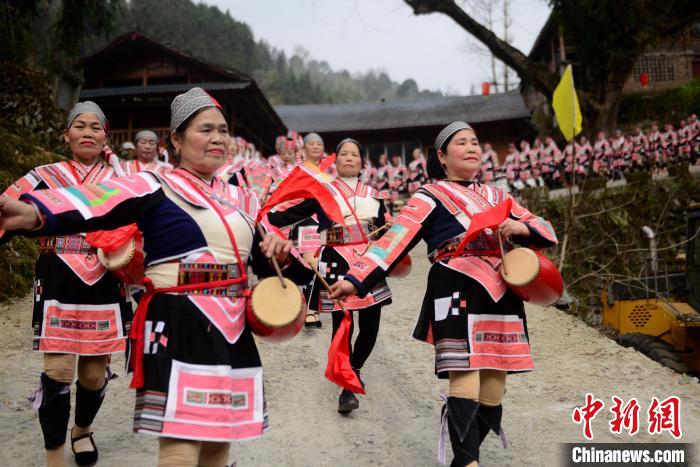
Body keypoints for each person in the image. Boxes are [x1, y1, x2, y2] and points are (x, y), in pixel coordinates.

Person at [0, 88, 311, 467]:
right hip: (176, 323)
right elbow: (92, 203)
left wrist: (282, 253)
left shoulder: (245, 200)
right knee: (180, 449)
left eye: (223, 130)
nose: (217, 138)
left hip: (232, 330)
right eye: (205, 129)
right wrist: (33, 213)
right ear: (176, 140)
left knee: (219, 445)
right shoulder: (152, 185)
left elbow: (274, 269)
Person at [329, 122, 557, 467]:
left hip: (502, 289)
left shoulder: (499, 196)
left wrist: (521, 227)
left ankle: (462, 459)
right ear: (442, 156)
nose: (471, 148)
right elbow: (393, 242)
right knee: (464, 375)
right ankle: (468, 462)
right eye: (461, 143)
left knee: (494, 386)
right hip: (455, 286)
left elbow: (545, 229)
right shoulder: (428, 195)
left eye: (475, 142)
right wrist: (354, 279)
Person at [0, 101, 132, 467]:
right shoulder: (43, 175)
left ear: (106, 136)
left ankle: (82, 430)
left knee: (92, 374)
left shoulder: (123, 180)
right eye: (79, 126)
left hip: (106, 277)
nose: (87, 132)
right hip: (58, 275)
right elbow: (7, 209)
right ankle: (54, 456)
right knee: (58, 373)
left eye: (95, 127)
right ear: (66, 135)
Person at [267, 138, 392, 414]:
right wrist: (263, 215)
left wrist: (390, 228)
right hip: (336, 259)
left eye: (354, 154)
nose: (349, 158)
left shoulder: (375, 194)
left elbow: (387, 231)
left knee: (371, 326)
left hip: (369, 262)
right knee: (342, 324)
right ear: (335, 162)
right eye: (343, 154)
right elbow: (285, 216)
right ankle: (347, 385)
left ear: (362, 163)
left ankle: (355, 367)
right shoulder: (323, 192)